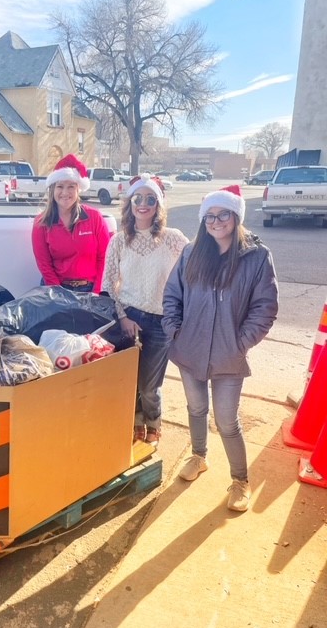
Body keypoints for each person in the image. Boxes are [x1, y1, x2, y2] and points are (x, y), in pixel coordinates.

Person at [162, 185, 278, 511]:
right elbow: (172, 296)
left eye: (222, 214)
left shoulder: (256, 257)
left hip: (229, 355)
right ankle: (199, 456)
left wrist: (240, 343)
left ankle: (240, 480)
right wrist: (175, 332)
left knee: (227, 420)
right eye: (210, 216)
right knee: (196, 408)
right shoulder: (192, 252)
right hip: (189, 349)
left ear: (235, 215)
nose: (216, 222)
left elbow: (265, 308)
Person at [102, 173, 188, 446]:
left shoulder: (172, 238)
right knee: (130, 379)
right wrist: (123, 316)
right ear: (129, 203)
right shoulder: (118, 240)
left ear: (158, 205)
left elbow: (194, 267)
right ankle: (136, 421)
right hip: (129, 318)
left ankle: (153, 422)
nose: (143, 204)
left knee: (150, 384)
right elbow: (108, 282)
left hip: (161, 321)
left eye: (151, 199)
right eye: (138, 198)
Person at [31, 154, 110, 294]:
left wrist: (96, 292)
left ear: (78, 189)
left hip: (90, 289)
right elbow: (44, 265)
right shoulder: (41, 223)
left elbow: (104, 257)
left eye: (71, 187)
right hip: (56, 288)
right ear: (52, 190)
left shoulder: (94, 218)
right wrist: (59, 295)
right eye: (60, 186)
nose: (65, 192)